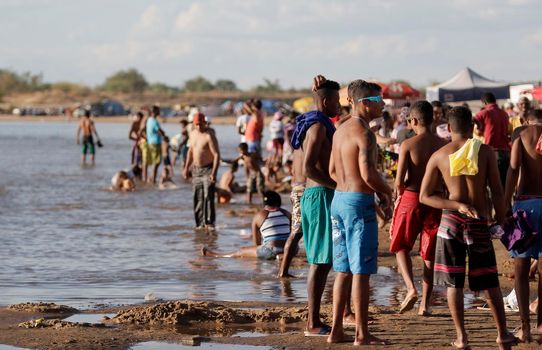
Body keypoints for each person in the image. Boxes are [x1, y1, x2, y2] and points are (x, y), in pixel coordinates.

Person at [419, 106, 517, 349]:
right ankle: (502, 333)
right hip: (477, 221)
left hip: (450, 221)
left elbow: (425, 196)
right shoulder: (484, 151)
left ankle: (462, 338)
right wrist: (500, 217)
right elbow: (496, 189)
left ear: (449, 128)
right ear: (473, 127)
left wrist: (455, 204)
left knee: (453, 282)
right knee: (489, 280)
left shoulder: (439, 155)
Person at [326, 79, 392, 345]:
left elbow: (331, 170)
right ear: (364, 104)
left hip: (339, 200)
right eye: (378, 101)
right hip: (356, 202)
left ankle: (335, 330)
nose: (383, 105)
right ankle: (362, 334)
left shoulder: (340, 130)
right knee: (361, 271)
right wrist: (387, 191)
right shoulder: (364, 133)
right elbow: (367, 173)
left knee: (342, 269)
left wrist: (348, 186)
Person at [290, 75, 340, 336]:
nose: (340, 105)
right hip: (320, 194)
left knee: (324, 260)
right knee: (320, 261)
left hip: (319, 194)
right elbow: (309, 166)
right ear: (325, 101)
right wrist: (336, 186)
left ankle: (318, 318)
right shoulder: (318, 127)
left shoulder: (315, 122)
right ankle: (312, 322)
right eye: (336, 100)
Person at [389, 101, 447, 316]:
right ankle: (425, 305)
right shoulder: (442, 144)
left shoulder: (408, 145)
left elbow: (399, 181)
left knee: (401, 245)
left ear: (412, 121)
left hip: (412, 196)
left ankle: (411, 288)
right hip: (435, 198)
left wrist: (397, 197)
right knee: (428, 252)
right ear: (432, 119)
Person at [504, 108, 542, 343]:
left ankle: (525, 327)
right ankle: (541, 325)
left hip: (525, 206)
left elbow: (513, 169)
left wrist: (505, 204)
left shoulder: (522, 134)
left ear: (527, 120)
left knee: (521, 268)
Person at [201, 191, 291, 259]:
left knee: (241, 251)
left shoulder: (259, 216)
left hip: (271, 250)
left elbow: (256, 244)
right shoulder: (287, 214)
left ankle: (216, 255)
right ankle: (280, 256)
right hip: (289, 249)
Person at [183, 112, 220, 231]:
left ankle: (210, 223)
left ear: (205, 123)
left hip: (208, 169)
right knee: (197, 196)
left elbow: (216, 155)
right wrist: (186, 167)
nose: (199, 127)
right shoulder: (193, 134)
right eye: (196, 125)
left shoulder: (209, 135)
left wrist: (214, 172)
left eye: (201, 124)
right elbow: (190, 152)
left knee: (208, 196)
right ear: (194, 125)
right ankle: (199, 224)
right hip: (196, 170)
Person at [278, 149, 306, 278]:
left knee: (295, 233)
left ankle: (283, 270)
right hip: (307, 188)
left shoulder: (297, 147)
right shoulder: (313, 138)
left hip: (295, 188)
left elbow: (293, 170)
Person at [473, 92, 510, 188]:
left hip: (491, 151)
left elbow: (474, 122)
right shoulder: (505, 113)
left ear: (484, 103)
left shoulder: (484, 113)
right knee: (503, 185)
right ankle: (506, 203)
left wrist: (480, 130)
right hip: (505, 152)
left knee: (492, 186)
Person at [144, 106, 167, 184]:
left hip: (151, 143)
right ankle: (153, 180)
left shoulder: (149, 120)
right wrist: (165, 136)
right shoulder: (154, 121)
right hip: (155, 143)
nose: (159, 112)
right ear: (155, 112)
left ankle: (151, 179)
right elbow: (159, 131)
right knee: (156, 163)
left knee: (154, 162)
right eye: (158, 111)